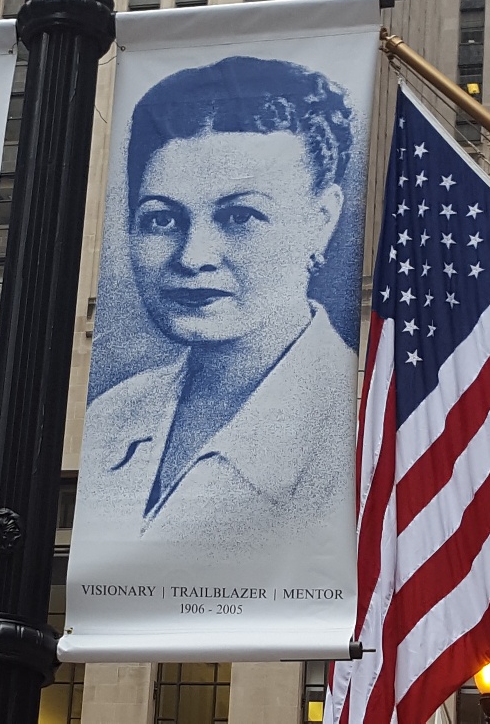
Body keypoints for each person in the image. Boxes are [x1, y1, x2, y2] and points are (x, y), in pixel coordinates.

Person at [75, 57, 360, 551]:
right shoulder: (111, 416)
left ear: (322, 219)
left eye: (240, 216)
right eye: (162, 220)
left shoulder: (360, 421)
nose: (193, 258)